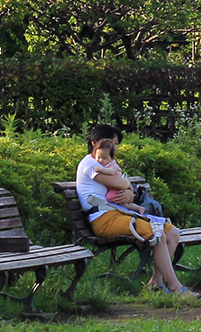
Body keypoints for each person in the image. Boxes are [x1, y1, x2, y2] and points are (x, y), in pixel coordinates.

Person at [76, 124, 192, 295]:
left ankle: (156, 283)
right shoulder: (90, 163)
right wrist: (128, 186)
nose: (114, 147)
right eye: (110, 142)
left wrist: (128, 192)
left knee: (172, 233)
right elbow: (119, 183)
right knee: (157, 232)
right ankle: (175, 286)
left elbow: (123, 191)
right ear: (94, 142)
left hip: (119, 213)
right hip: (103, 219)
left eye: (116, 144)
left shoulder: (108, 165)